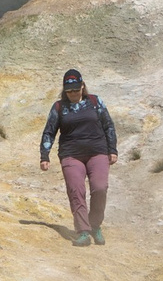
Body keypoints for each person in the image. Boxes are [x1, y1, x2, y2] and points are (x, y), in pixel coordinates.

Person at [39, 68, 118, 246]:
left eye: (76, 89)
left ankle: (95, 225)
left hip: (98, 151)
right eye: (69, 91)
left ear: (82, 86)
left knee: (100, 188)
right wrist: (45, 155)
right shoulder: (59, 107)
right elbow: (49, 132)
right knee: (76, 190)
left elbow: (109, 126)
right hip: (71, 154)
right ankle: (82, 231)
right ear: (64, 90)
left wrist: (112, 150)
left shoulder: (95, 101)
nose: (73, 93)